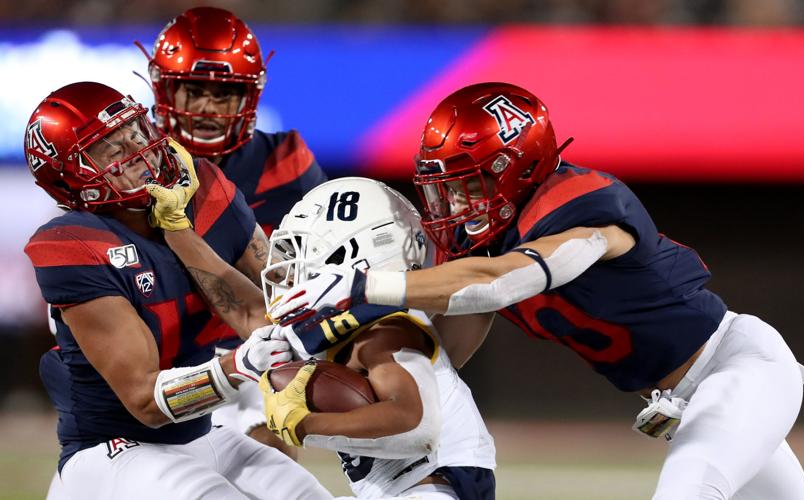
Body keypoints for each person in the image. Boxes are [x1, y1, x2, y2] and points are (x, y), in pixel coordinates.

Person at [270, 82, 804, 499]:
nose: (455, 206)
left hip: (737, 367)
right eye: (445, 189)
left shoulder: (586, 206)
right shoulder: (483, 248)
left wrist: (363, 284)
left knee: (689, 486)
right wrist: (354, 356)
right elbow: (447, 355)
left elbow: (496, 283)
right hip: (684, 400)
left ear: (515, 167)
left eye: (467, 185)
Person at [23, 81, 332, 500]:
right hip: (114, 451)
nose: (140, 153)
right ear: (73, 178)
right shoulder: (73, 243)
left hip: (203, 433)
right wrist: (240, 365)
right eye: (112, 151)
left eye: (135, 134)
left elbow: (261, 317)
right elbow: (145, 402)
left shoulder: (204, 187)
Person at [150, 175, 496, 499]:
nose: (289, 268)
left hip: (432, 488)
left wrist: (303, 423)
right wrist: (178, 231)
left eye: (302, 252)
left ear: (353, 254)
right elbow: (244, 309)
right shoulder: (346, 323)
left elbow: (417, 428)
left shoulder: (385, 328)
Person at [140, 6, 329, 446]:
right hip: (157, 357)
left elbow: (315, 274)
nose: (208, 107)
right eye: (193, 90)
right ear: (165, 88)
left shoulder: (285, 163)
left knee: (273, 436)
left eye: (223, 93)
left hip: (250, 350)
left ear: (249, 97)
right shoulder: (131, 164)